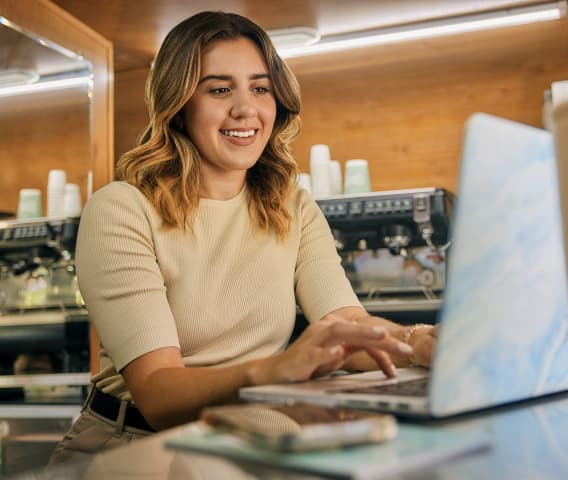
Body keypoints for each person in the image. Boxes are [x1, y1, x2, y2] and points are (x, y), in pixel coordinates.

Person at [50, 10, 437, 464]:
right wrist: (278, 368)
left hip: (240, 442)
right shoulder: (122, 209)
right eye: (219, 89)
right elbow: (158, 395)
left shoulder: (290, 206)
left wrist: (419, 342)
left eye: (260, 88)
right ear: (178, 106)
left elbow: (347, 324)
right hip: (128, 447)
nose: (246, 109)